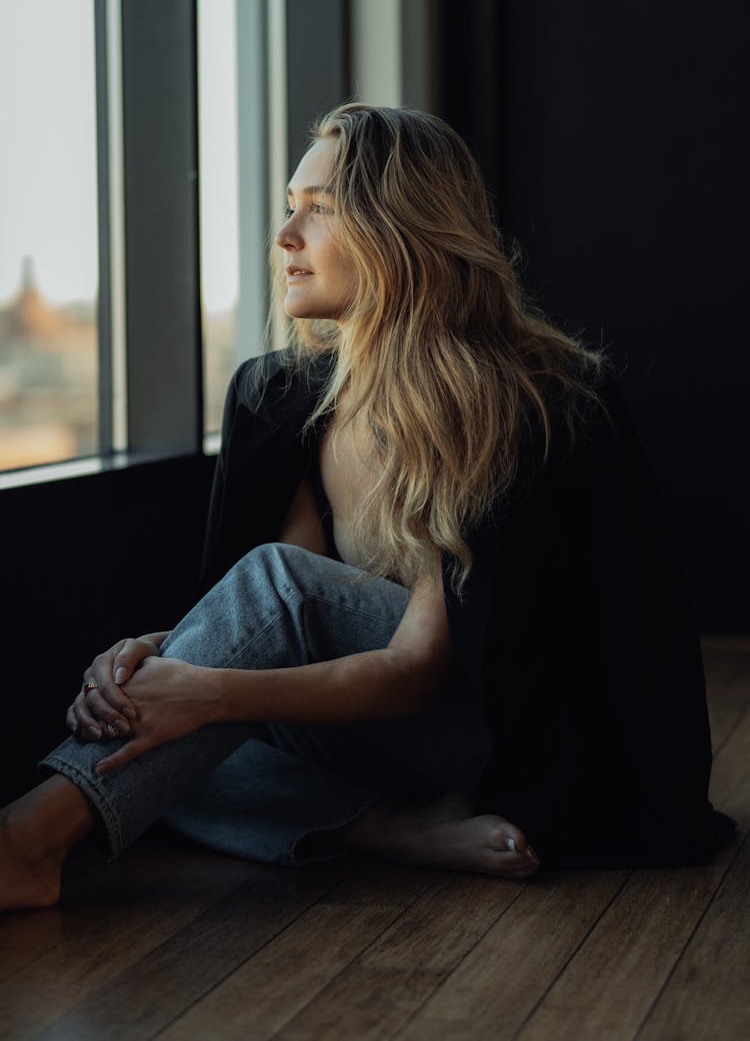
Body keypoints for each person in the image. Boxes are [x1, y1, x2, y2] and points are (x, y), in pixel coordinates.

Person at [0, 104, 731, 912]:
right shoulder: (286, 397)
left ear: (400, 232)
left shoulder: (520, 400)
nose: (285, 235)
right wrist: (156, 657)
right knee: (160, 746)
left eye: (320, 210)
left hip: (512, 741)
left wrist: (200, 691)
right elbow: (272, 623)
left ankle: (26, 845)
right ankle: (390, 829)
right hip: (378, 740)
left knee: (188, 726)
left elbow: (409, 669)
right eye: (289, 205)